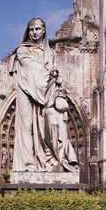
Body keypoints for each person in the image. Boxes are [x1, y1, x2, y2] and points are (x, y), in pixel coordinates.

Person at [9, 17, 78, 173]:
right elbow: (30, 66)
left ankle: (50, 160)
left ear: (44, 30)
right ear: (28, 31)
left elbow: (54, 71)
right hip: (26, 88)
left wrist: (56, 78)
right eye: (32, 29)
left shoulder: (50, 52)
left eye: (38, 29)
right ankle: (28, 164)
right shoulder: (22, 49)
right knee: (27, 126)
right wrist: (50, 76)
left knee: (48, 124)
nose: (35, 32)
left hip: (46, 91)